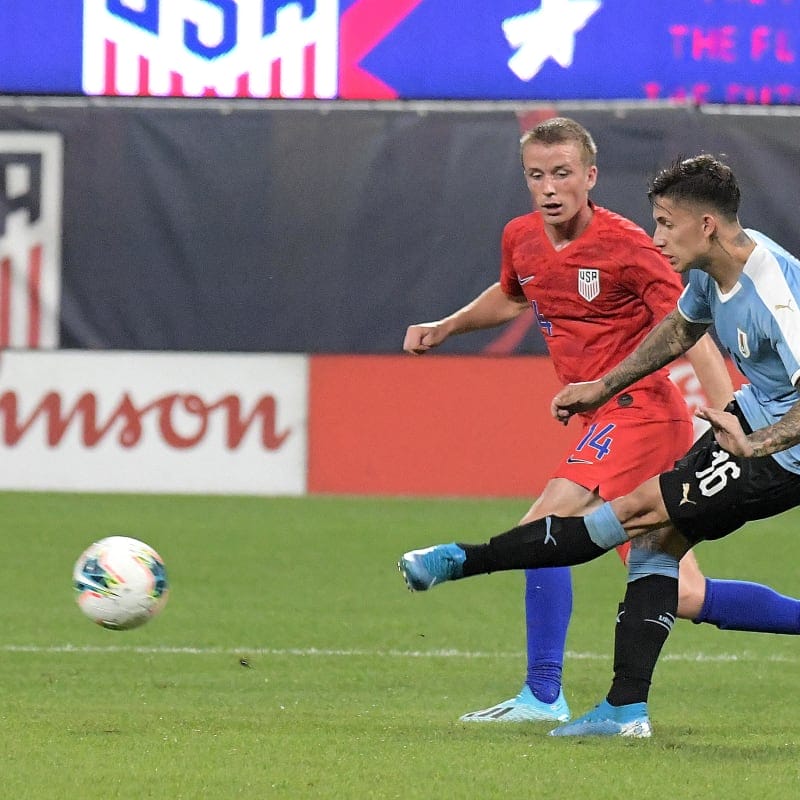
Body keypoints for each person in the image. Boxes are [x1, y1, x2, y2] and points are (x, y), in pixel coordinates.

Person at [399, 153, 800, 737]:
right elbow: (682, 330)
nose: (657, 234)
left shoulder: (776, 298)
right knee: (658, 551)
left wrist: (756, 442)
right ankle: (624, 709)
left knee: (632, 515)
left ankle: (464, 562)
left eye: (666, 221)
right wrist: (604, 384)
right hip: (750, 426)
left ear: (706, 225)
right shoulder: (717, 265)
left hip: (780, 451)